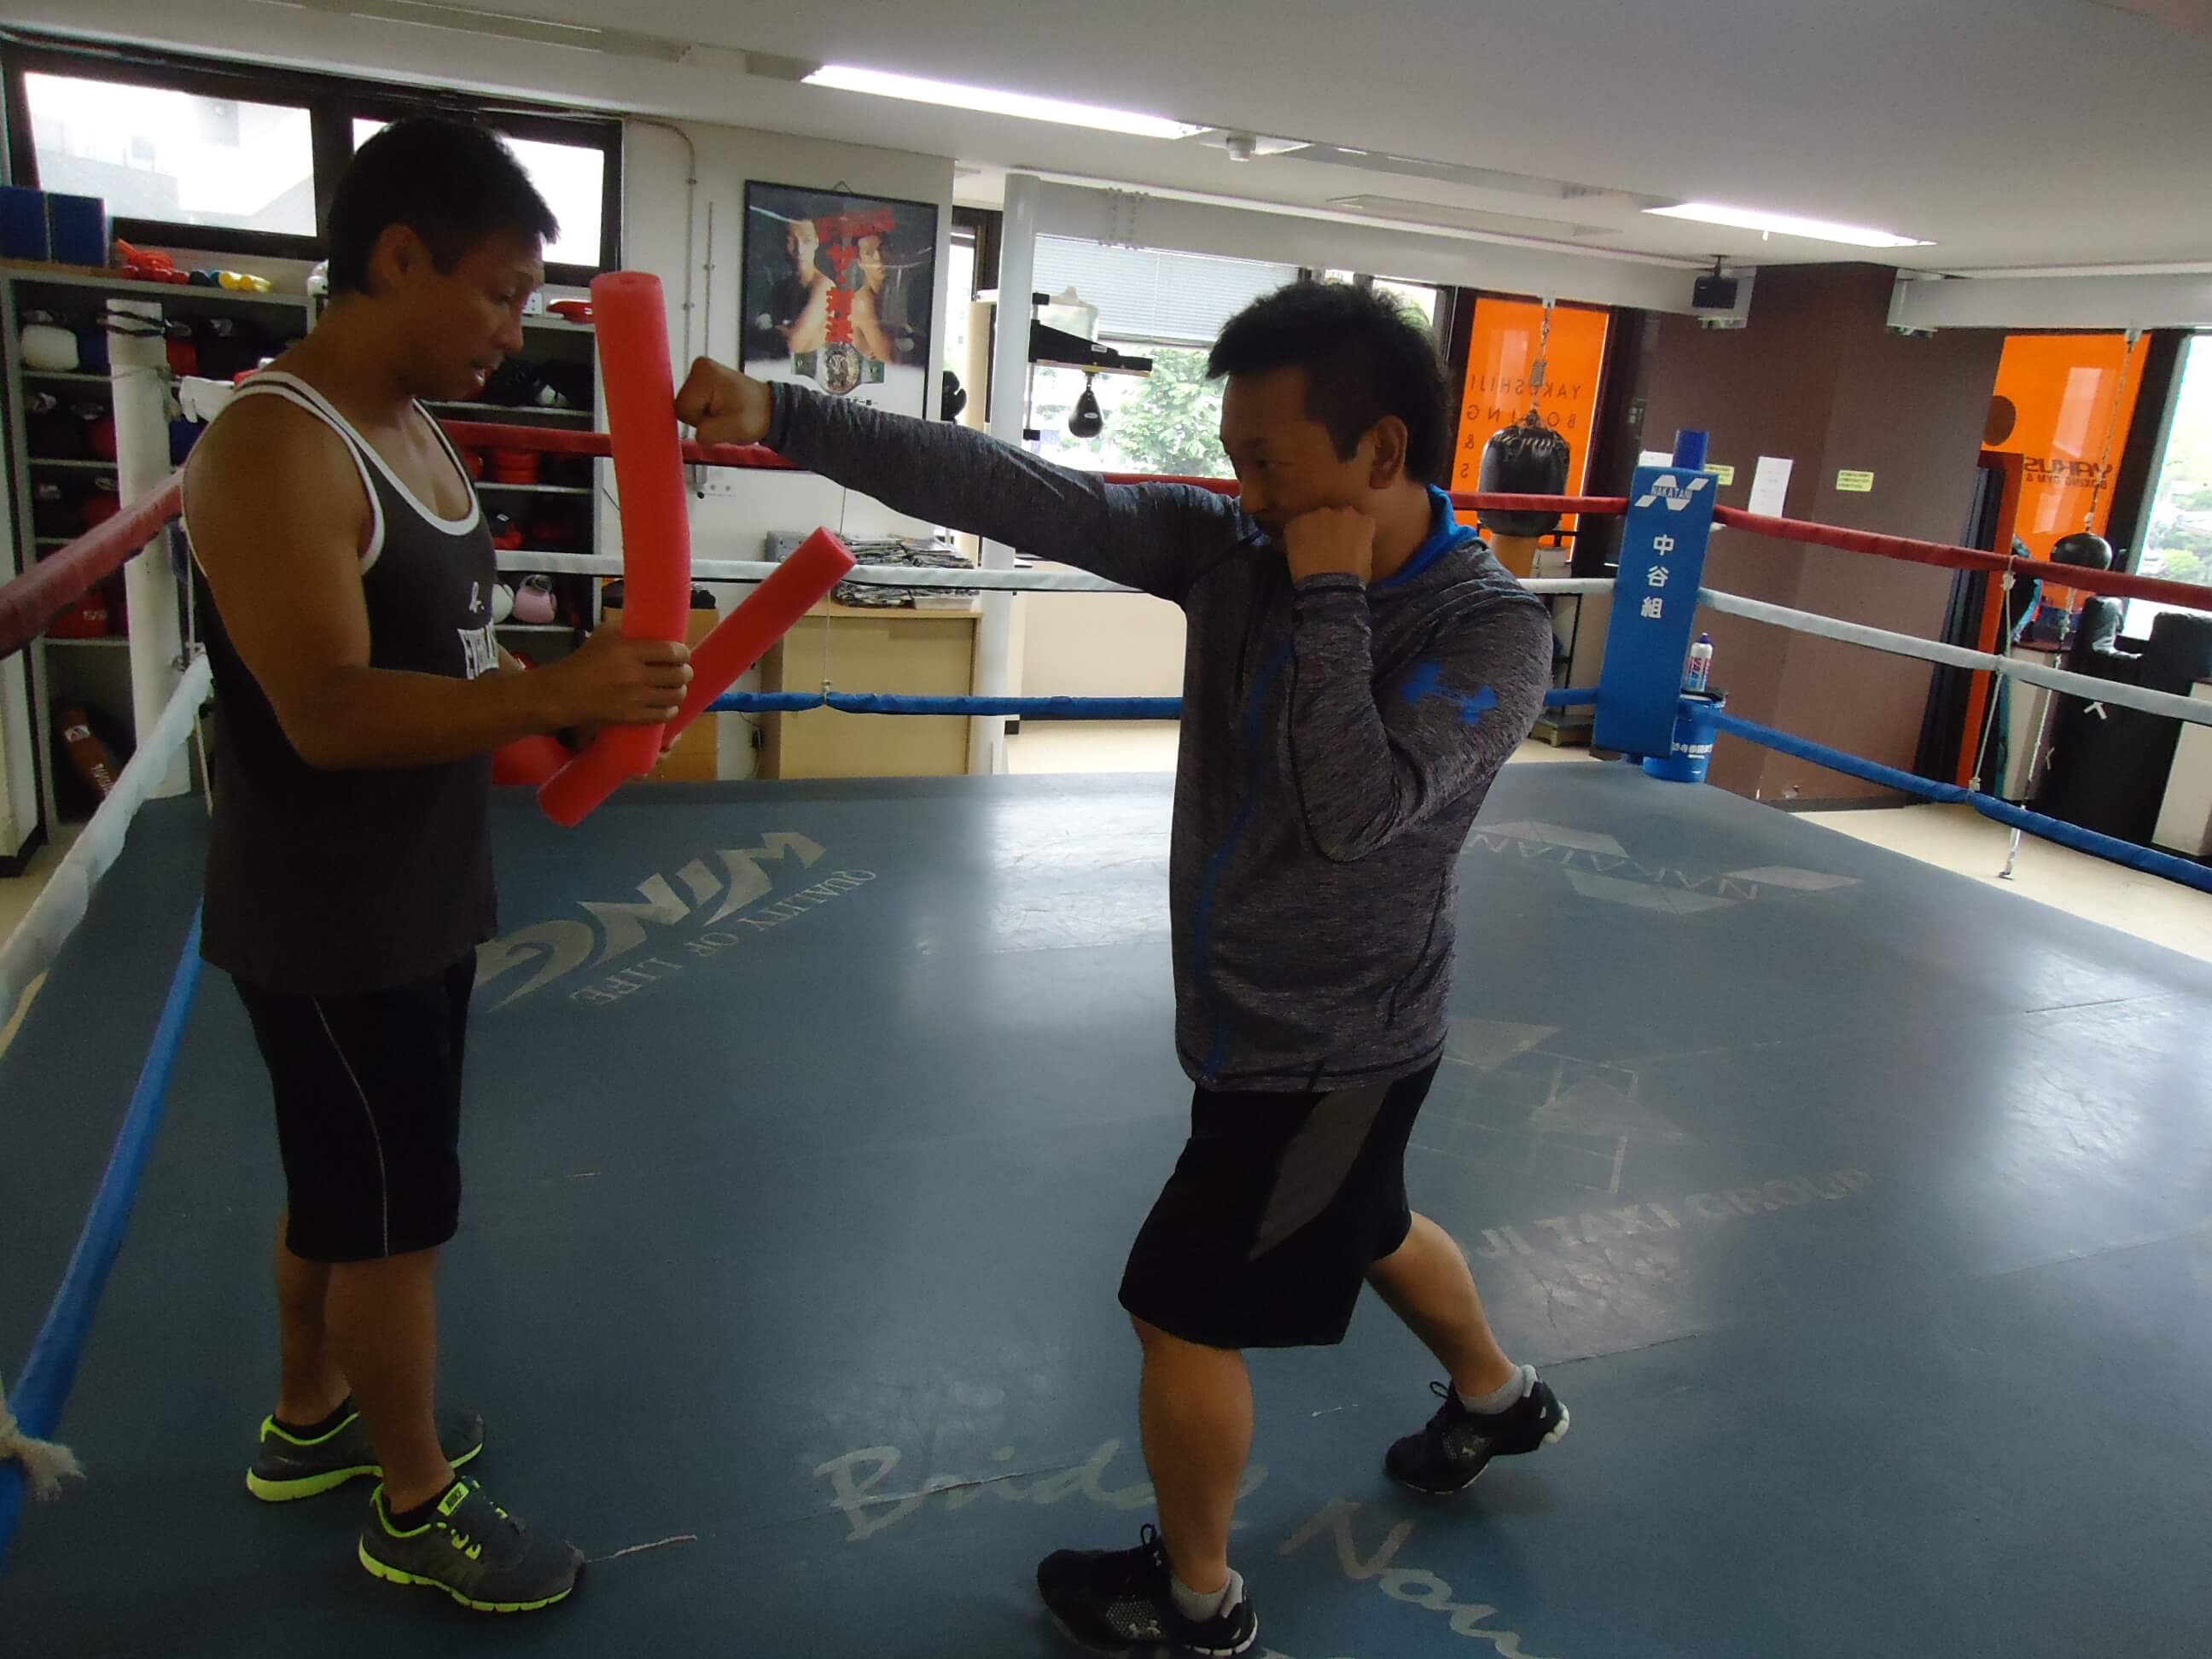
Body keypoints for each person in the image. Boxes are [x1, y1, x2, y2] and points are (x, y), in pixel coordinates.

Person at [678, 280, 1567, 1655]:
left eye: (1266, 460)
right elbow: (1023, 491)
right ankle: (1501, 1401)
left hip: (1329, 1048)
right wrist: (780, 413)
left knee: (1179, 1311)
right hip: (1258, 1021)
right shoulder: (1233, 549)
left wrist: (1332, 595)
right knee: (1370, 1220)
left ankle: (1199, 1603)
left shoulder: (1488, 632)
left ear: (1382, 451)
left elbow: (1350, 813)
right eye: (1233, 457)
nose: (1242, 491)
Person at [183, 118, 691, 1613]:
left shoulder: (418, 429)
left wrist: (563, 704)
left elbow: (457, 660)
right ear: (397, 256)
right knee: (394, 1225)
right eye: (500, 292)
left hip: (415, 894)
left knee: (342, 1190)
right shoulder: (277, 445)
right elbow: (329, 711)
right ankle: (412, 1507)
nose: (514, 331)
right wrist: (553, 696)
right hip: (333, 919)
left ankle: (312, 1420)